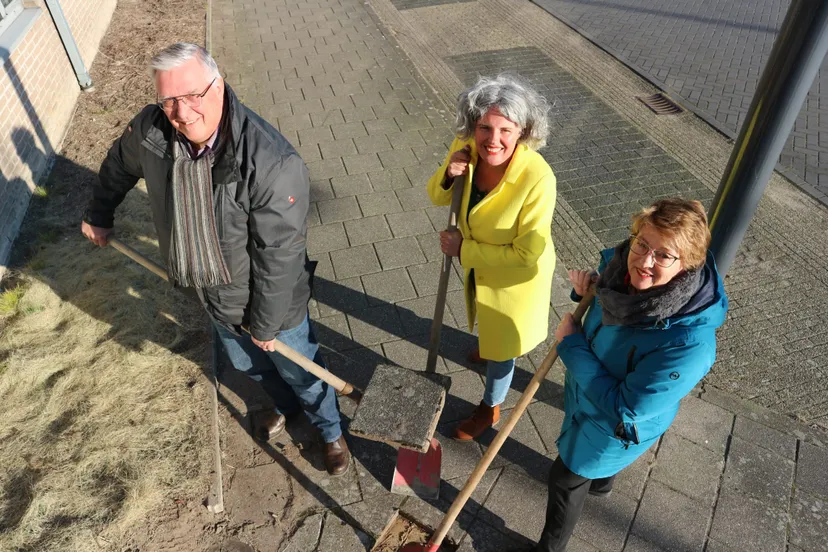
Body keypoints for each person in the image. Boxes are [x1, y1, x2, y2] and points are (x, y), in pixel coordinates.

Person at [80, 43, 350, 476]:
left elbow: (278, 256)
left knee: (302, 371)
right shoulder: (152, 132)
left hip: (271, 304)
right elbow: (116, 165)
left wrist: (266, 321)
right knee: (249, 365)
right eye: (169, 99)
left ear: (218, 86)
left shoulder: (270, 163)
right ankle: (284, 408)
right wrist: (99, 213)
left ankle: (331, 431)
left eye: (192, 96)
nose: (182, 112)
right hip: (211, 293)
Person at [510, 198, 728, 551]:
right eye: (642, 244)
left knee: (565, 480)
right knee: (589, 470)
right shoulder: (619, 273)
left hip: (614, 424)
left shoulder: (688, 345)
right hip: (588, 397)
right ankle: (601, 483)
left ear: (687, 264)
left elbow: (627, 406)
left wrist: (572, 346)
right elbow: (609, 312)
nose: (644, 261)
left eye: (663, 255)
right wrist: (586, 293)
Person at [427, 74, 557, 440]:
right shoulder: (466, 145)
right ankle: (487, 348)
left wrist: (463, 250)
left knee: (503, 349)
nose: (493, 140)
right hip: (481, 269)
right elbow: (437, 195)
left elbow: (528, 253)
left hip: (515, 278)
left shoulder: (538, 178)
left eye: (506, 129)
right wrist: (449, 174)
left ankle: (491, 406)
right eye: (485, 127)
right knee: (487, 326)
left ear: (524, 131)